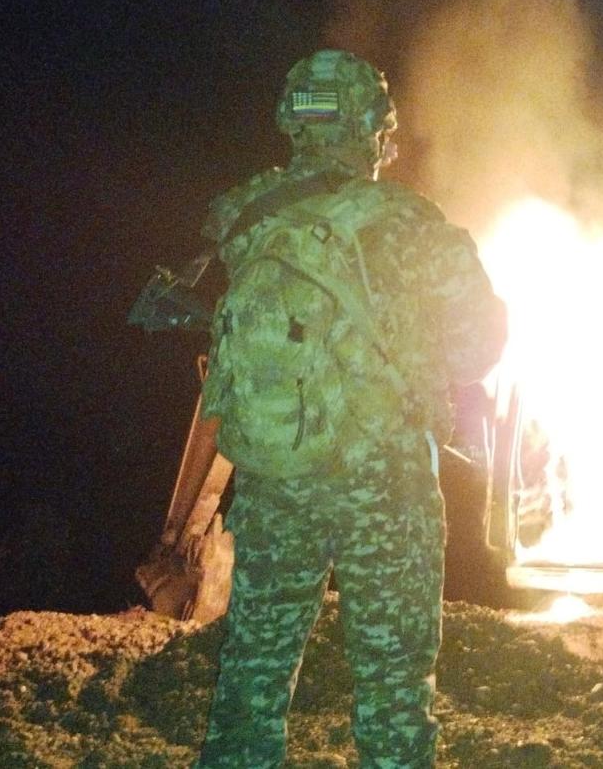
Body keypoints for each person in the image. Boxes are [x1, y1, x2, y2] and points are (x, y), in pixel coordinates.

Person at [195, 49, 506, 768]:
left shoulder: (244, 217)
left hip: (276, 476)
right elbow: (477, 348)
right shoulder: (409, 223)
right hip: (384, 487)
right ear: (373, 125)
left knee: (250, 685)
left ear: (293, 119)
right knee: (393, 692)